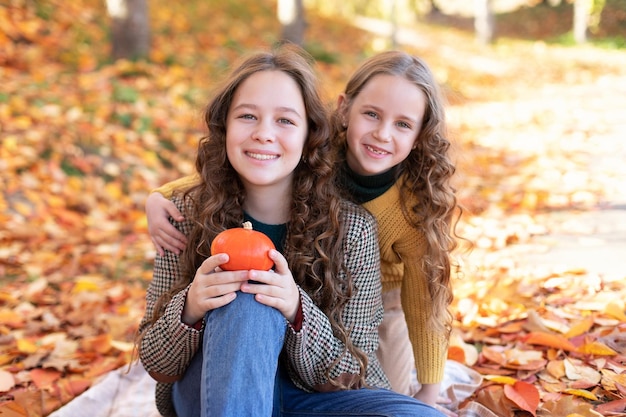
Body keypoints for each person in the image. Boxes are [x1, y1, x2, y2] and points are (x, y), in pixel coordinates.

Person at [136, 44, 445, 417]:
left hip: (308, 396)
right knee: (250, 299)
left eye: (285, 120)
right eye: (248, 116)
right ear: (225, 126)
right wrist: (191, 306)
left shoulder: (355, 229)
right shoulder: (185, 214)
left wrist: (298, 309)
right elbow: (156, 363)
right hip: (213, 392)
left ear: (310, 135)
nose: (265, 134)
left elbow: (355, 370)